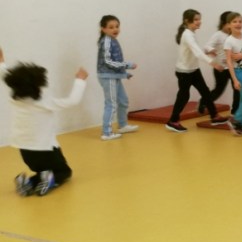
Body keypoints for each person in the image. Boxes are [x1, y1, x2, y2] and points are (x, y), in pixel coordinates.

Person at [0, 47, 87, 196]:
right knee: (64, 172)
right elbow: (72, 101)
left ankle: (27, 183)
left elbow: (5, 75)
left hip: (24, 149)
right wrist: (80, 80)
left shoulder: (15, 99)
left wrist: (1, 62)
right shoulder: (43, 102)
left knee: (42, 170)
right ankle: (46, 179)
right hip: (45, 148)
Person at [165, 9, 228, 133]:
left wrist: (208, 51)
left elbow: (196, 51)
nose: (199, 22)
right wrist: (213, 63)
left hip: (193, 70)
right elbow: (197, 53)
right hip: (184, 71)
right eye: (196, 20)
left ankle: (214, 116)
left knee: (205, 92)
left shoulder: (191, 33)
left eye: (199, 19)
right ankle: (173, 121)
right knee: (184, 96)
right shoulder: (187, 34)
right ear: (187, 21)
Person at [96, 15, 139, 141]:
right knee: (111, 104)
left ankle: (122, 125)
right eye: (111, 27)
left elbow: (115, 61)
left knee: (123, 100)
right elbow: (108, 62)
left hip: (114, 76)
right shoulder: (106, 41)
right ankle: (107, 132)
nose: (115, 29)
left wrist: (124, 74)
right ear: (103, 29)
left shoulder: (113, 40)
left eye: (117, 26)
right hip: (107, 77)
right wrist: (127, 65)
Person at [203, 11, 240, 116]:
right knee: (218, 90)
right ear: (225, 23)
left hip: (233, 67)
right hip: (221, 68)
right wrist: (211, 50)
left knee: (237, 89)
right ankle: (203, 102)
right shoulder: (218, 35)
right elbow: (206, 47)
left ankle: (235, 111)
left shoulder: (234, 35)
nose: (234, 25)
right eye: (232, 22)